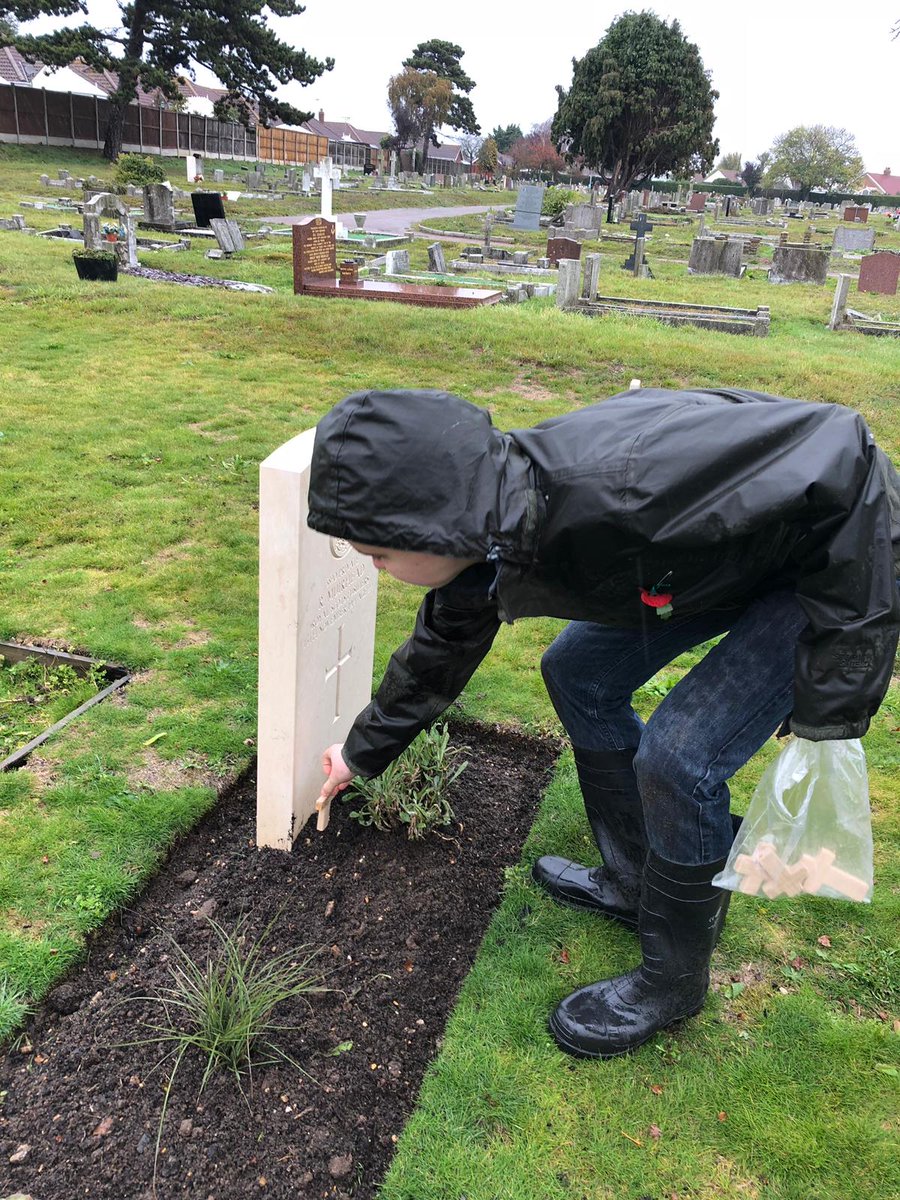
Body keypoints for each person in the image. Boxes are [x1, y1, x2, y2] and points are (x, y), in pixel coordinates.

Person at [307, 387, 900, 1059]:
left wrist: (834, 688)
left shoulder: (624, 487)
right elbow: (438, 652)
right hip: (712, 560)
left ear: (430, 523)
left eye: (377, 554)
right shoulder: (489, 535)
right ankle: (634, 880)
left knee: (680, 758)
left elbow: (849, 463)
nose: (377, 569)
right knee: (577, 672)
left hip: (824, 566)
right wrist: (360, 753)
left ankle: (674, 981)